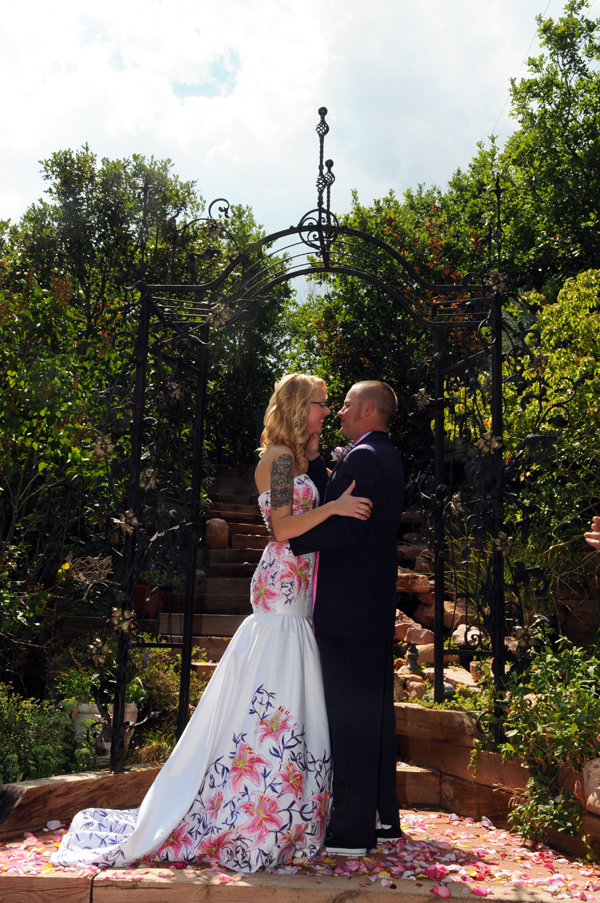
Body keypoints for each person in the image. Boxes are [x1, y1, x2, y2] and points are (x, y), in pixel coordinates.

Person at [52, 373, 372, 873]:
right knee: (274, 693)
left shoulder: (294, 458)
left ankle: (281, 809)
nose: (327, 412)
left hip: (299, 592)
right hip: (281, 590)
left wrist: (316, 459)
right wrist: (334, 506)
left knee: (288, 696)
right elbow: (282, 528)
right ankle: (254, 809)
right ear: (297, 405)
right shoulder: (277, 459)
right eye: (320, 404)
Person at [289, 380, 404, 857]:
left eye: (346, 405)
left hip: (348, 610)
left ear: (368, 409)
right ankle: (382, 818)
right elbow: (339, 499)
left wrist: (294, 540)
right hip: (369, 609)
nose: (337, 411)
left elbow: (348, 527)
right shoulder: (384, 454)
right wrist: (317, 460)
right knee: (374, 717)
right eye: (330, 405)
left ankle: (353, 830)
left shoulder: (362, 458)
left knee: (350, 717)